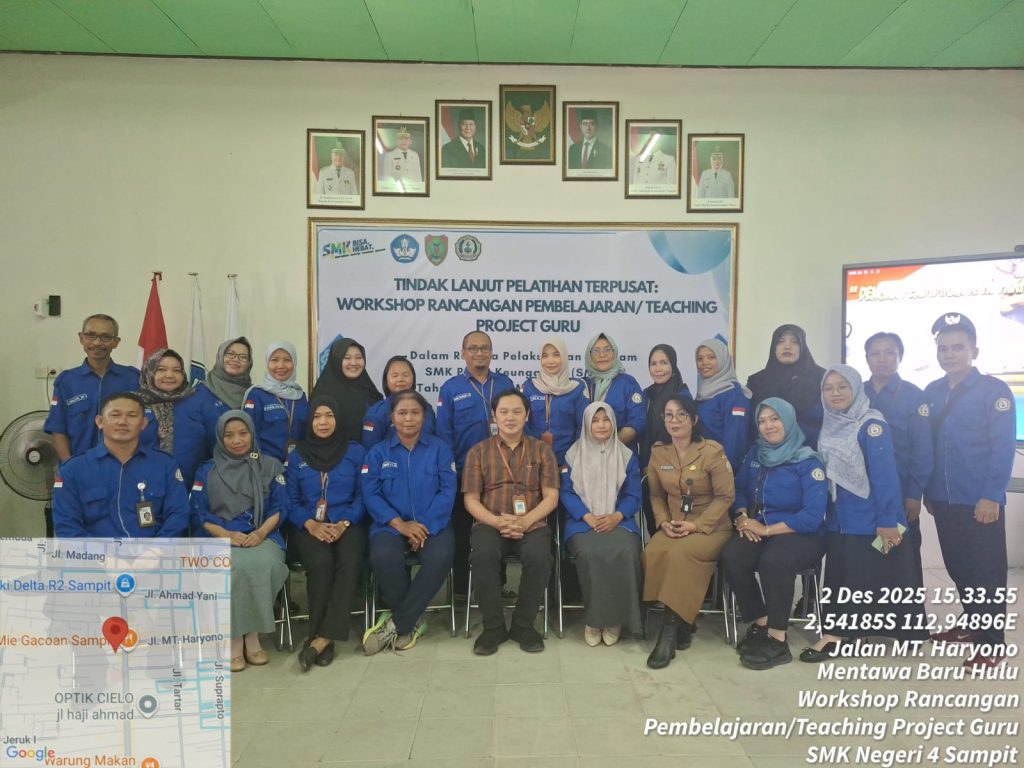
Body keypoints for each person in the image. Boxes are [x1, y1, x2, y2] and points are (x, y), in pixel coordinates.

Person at [802, 366, 928, 663]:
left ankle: (840, 636)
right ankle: (849, 633)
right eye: (828, 388)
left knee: (862, 578)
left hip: (869, 517)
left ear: (857, 389)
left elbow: (885, 478)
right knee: (844, 577)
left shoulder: (872, 424)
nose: (835, 393)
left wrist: (887, 521)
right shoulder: (830, 423)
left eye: (842, 386)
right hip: (838, 518)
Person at [923, 313, 1016, 669]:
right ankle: (971, 624)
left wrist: (992, 495)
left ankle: (992, 644)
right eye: (943, 348)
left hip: (981, 501)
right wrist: (929, 492)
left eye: (957, 347)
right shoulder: (932, 391)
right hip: (944, 500)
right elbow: (928, 444)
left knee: (987, 574)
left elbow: (1003, 446)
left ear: (973, 350)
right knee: (959, 567)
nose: (949, 355)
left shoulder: (994, 391)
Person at [720, 398, 827, 670]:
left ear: (788, 421)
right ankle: (761, 621)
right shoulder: (757, 453)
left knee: (774, 561)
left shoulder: (808, 461)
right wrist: (743, 517)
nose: (768, 426)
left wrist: (767, 529)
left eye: (775, 419)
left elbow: (812, 517)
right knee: (732, 557)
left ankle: (778, 640)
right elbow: (740, 489)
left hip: (800, 532)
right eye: (762, 421)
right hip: (759, 525)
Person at [191, 410, 288, 673]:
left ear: (252, 433)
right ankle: (234, 640)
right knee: (229, 568)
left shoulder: (270, 465)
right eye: (229, 435)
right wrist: (227, 535)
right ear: (220, 438)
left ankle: (252, 636)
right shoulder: (206, 470)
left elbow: (280, 507)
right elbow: (198, 512)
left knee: (262, 564)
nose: (237, 440)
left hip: (262, 534)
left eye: (243, 433)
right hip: (219, 536)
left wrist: (261, 533)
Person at [463, 390, 559, 655]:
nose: (510, 417)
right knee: (482, 555)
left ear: (527, 415)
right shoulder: (478, 452)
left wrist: (526, 520)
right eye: (503, 412)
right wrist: (496, 521)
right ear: (494, 416)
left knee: (540, 557)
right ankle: (493, 628)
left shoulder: (542, 451)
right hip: (490, 523)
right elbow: (471, 500)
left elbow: (551, 496)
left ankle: (523, 625)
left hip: (533, 523)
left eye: (517, 411)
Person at [361, 392, 457, 654]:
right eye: (402, 413)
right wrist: (400, 525)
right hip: (390, 526)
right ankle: (412, 620)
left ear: (424, 416)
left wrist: (422, 525)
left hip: (432, 525)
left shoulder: (440, 449)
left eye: (415, 412)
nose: (408, 418)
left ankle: (398, 623)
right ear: (392, 418)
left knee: (441, 556)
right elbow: (370, 494)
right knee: (383, 556)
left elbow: (448, 491)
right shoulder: (378, 452)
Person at [643, 396, 734, 669]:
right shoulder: (659, 452)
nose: (674, 421)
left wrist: (697, 525)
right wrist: (662, 522)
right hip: (674, 524)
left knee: (681, 556)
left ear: (694, 419)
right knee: (653, 552)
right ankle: (685, 622)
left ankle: (668, 633)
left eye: (681, 415)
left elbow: (725, 497)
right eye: (669, 415)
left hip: (711, 527)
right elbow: (656, 495)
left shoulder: (712, 451)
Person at [284, 396, 367, 671]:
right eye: (317, 416)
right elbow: (290, 500)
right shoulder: (297, 456)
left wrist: (344, 522)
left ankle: (321, 639)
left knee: (350, 561)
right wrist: (310, 524)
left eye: (329, 415)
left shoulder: (355, 452)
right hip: (309, 526)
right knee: (320, 564)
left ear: (338, 419)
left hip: (347, 524)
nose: (323, 422)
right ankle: (322, 636)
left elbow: (363, 496)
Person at [437, 331, 515, 594]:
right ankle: (460, 589)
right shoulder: (450, 388)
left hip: (501, 471)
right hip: (463, 472)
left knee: (498, 529)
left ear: (492, 352)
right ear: (463, 352)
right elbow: (444, 434)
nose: (479, 353)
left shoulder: (505, 383)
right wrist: (449, 472)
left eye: (484, 348)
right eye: (473, 348)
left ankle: (499, 585)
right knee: (462, 532)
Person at [560, 403, 643, 646]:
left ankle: (616, 619)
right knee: (589, 552)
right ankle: (595, 620)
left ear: (614, 423)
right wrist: (586, 516)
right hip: (582, 523)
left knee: (626, 551)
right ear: (587, 424)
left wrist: (616, 516)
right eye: (595, 420)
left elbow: (634, 495)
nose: (601, 425)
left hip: (619, 520)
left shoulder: (626, 455)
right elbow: (566, 493)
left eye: (606, 420)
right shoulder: (572, 454)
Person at [52, 392, 189, 538]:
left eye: (131, 415)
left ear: (143, 423)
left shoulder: (164, 465)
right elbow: (67, 526)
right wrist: (102, 558)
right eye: (115, 415)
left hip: (153, 555)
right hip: (96, 557)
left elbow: (178, 515)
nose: (123, 422)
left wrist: (155, 551)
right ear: (99, 422)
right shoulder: (74, 469)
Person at [863, 332, 933, 576]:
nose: (882, 358)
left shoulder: (915, 396)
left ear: (900, 357)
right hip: (863, 494)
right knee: (868, 559)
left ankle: (907, 614)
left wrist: (915, 494)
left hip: (902, 493)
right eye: (875, 353)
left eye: (889, 352)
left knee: (904, 559)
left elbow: (923, 449)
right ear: (867, 358)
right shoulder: (855, 394)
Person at [45, 314, 140, 461]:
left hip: (125, 468)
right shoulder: (67, 381)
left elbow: (145, 426)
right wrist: (70, 467)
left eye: (106, 337)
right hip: (80, 467)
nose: (97, 342)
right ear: (81, 338)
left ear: (116, 342)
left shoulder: (133, 378)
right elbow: (58, 430)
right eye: (91, 335)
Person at [137, 348, 220, 488]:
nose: (169, 375)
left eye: (176, 370)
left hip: (191, 485)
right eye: (161, 369)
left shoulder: (200, 400)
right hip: (142, 484)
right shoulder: (135, 403)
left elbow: (216, 444)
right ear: (149, 372)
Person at [746, 324, 825, 448]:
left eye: (795, 342)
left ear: (803, 347)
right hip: (767, 452)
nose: (787, 346)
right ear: (774, 347)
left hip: (809, 451)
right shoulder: (757, 381)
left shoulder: (821, 378)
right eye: (781, 341)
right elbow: (751, 424)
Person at [521, 338, 588, 465]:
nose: (550, 361)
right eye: (545, 356)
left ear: (564, 357)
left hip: (568, 460)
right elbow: (523, 425)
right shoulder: (529, 387)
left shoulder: (577, 388)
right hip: (533, 460)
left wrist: (573, 459)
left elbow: (583, 427)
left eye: (556, 355)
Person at [244, 341, 309, 463]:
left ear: (294, 363)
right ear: (267, 363)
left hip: (296, 466)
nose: (281, 365)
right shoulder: (257, 394)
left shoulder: (300, 396)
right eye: (274, 360)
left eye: (287, 360)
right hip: (266, 467)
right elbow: (249, 436)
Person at [694, 338, 751, 473]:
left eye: (711, 357)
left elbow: (735, 442)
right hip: (702, 468)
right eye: (700, 359)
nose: (704, 363)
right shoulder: (702, 392)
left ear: (723, 360)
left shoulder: (735, 396)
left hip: (723, 472)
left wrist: (723, 472)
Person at [310, 338, 383, 443]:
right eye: (347, 358)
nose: (353, 363)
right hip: (334, 456)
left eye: (358, 357)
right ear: (336, 360)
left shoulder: (370, 391)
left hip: (370, 455)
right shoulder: (323, 393)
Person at [585, 333, 646, 455]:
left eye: (607, 349)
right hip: (588, 457)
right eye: (596, 350)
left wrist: (608, 448)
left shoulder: (628, 383)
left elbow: (637, 421)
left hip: (621, 456)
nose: (602, 355)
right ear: (589, 355)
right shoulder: (583, 384)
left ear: (615, 353)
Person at [361, 355, 437, 449]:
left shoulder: (426, 408)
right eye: (394, 375)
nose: (400, 379)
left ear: (413, 379)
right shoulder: (377, 412)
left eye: (405, 375)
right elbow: (370, 450)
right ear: (386, 380)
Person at [199, 337, 254, 412]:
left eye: (243, 357)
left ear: (249, 363)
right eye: (230, 354)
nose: (236, 360)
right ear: (220, 356)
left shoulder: (254, 393)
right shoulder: (200, 392)